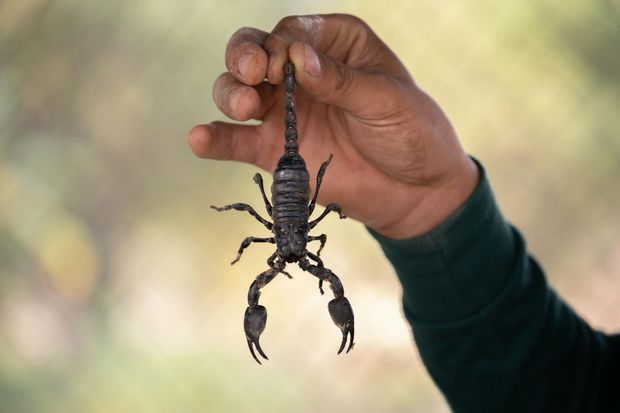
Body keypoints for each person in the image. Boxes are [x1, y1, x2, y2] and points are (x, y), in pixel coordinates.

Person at [187, 14, 619, 412]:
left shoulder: (284, 253)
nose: (300, 262)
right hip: (296, 190)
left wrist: (425, 212)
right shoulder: (309, 247)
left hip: (288, 193)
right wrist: (430, 210)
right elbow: (559, 391)